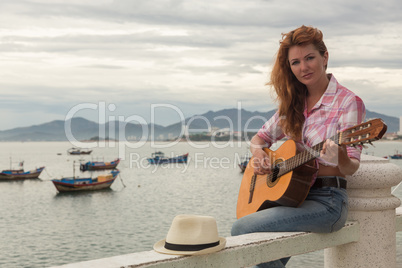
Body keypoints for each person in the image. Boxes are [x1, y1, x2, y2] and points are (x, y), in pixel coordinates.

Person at [231, 25, 366, 267]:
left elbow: (352, 167)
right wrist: (258, 153)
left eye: (309, 58)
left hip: (328, 202)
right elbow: (258, 139)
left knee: (243, 228)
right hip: (293, 198)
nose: (303, 67)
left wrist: (340, 157)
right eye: (295, 62)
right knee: (263, 254)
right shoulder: (293, 104)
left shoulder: (348, 102)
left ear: (325, 57)